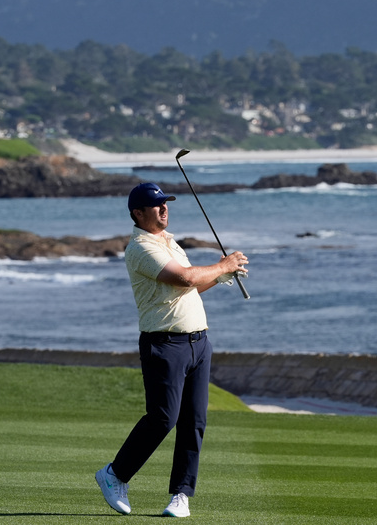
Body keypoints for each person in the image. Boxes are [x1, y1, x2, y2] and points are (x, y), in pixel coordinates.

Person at [96, 182, 248, 518]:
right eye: (157, 205)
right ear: (138, 213)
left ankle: (181, 495)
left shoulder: (169, 242)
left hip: (198, 343)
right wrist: (223, 265)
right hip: (164, 344)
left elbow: (188, 289)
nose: (164, 209)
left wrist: (221, 276)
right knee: (163, 418)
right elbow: (184, 279)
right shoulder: (140, 248)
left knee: (194, 421)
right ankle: (114, 474)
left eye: (166, 203)